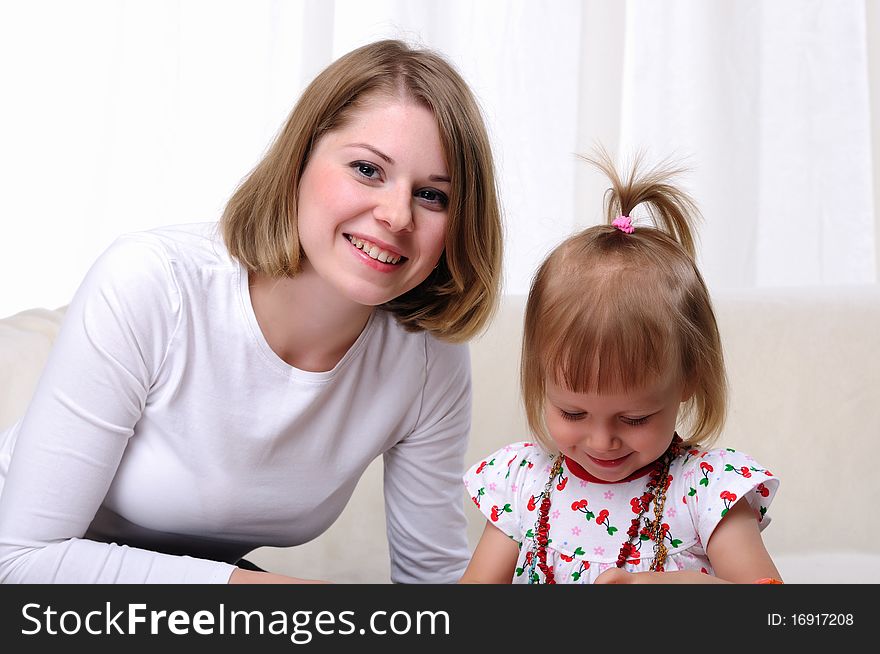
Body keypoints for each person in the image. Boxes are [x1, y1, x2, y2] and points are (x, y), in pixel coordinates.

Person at [0, 39, 502, 584]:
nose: (396, 214)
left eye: (433, 196)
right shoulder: (154, 283)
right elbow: (23, 559)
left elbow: (434, 591)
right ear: (300, 160)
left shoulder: (428, 358)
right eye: (367, 169)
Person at [460, 151, 781, 584]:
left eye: (634, 418)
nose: (602, 440)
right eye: (573, 413)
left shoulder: (705, 491)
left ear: (688, 378)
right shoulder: (523, 485)